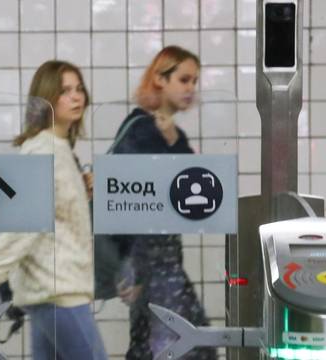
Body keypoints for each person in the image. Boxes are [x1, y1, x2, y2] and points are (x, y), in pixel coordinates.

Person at [0, 60, 108, 360]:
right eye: (65, 90)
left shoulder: (59, 150)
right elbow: (23, 225)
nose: (76, 96)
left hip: (53, 290)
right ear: (46, 98)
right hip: (58, 291)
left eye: (79, 88)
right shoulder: (44, 151)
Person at [112, 46, 217, 360]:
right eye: (184, 79)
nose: (191, 89)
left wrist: (174, 142)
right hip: (148, 261)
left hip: (162, 261)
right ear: (159, 78)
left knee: (159, 346)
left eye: (195, 81)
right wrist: (126, 269)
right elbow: (124, 200)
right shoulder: (141, 130)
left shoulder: (169, 133)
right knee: (186, 347)